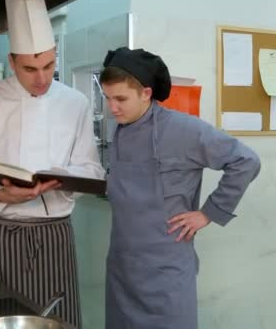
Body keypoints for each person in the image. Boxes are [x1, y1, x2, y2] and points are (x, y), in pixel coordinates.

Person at [0, 0, 104, 328]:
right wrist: (2, 195)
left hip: (54, 235)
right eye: (30, 69)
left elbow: (92, 168)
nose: (41, 78)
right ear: (12, 61)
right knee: (2, 316)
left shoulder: (75, 103)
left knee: (58, 317)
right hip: (2, 233)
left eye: (49, 66)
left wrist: (62, 177)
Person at [100, 47, 261, 329]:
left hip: (165, 271)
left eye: (120, 99)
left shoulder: (184, 129)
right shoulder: (121, 130)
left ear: (146, 93)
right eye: (108, 98)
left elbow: (245, 161)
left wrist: (208, 212)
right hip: (123, 267)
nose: (112, 108)